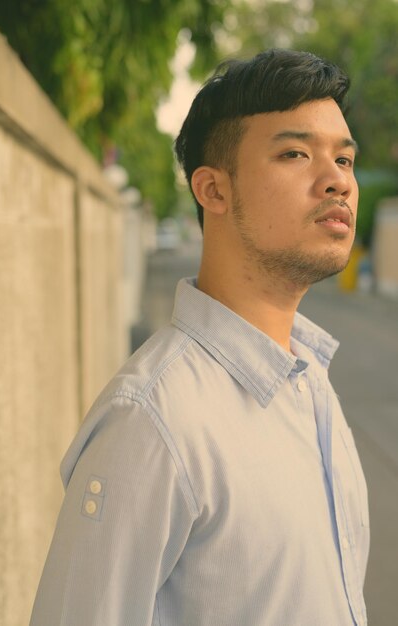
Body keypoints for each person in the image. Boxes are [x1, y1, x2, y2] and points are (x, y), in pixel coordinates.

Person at [30, 49, 370, 626]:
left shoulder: (311, 382)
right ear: (213, 190)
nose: (337, 179)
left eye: (344, 158)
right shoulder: (153, 420)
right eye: (295, 153)